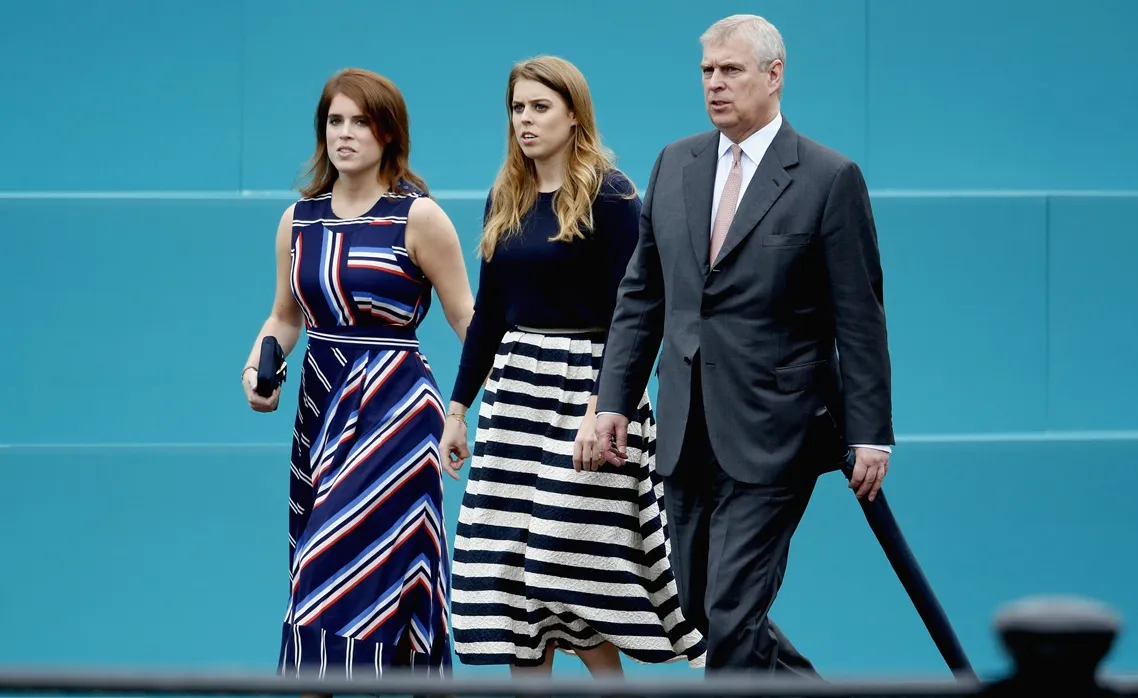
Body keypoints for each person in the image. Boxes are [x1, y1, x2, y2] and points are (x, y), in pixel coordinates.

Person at [594, 14, 895, 675]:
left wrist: (871, 431)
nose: (715, 84)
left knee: (731, 613)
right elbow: (642, 296)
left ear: (774, 74)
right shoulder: (675, 163)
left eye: (731, 70)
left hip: (775, 432)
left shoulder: (827, 177)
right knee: (702, 607)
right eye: (707, 72)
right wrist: (611, 400)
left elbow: (860, 317)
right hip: (684, 429)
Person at [438, 55, 707, 678]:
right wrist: (458, 410)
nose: (525, 121)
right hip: (517, 393)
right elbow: (489, 317)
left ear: (573, 114)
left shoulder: (612, 195)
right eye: (517, 108)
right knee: (512, 577)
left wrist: (602, 407)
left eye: (540, 107)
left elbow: (632, 312)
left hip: (589, 386)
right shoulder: (505, 196)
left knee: (567, 562)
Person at [240, 67, 475, 682]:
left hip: (396, 411)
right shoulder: (299, 220)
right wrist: (257, 363)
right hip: (321, 408)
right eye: (334, 121)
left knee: (333, 571)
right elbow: (284, 317)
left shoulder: (418, 217)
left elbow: (467, 320)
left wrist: (475, 405)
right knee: (318, 570)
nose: (345, 134)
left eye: (360, 121)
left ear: (389, 133)